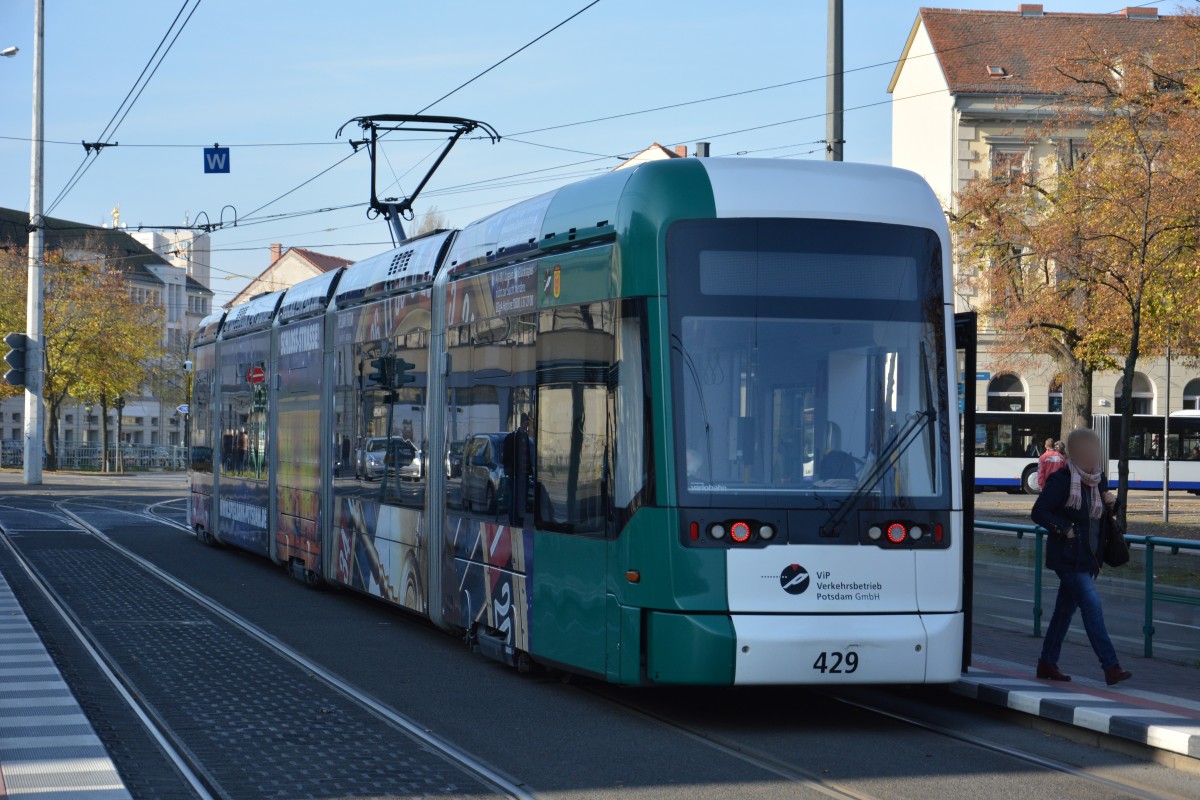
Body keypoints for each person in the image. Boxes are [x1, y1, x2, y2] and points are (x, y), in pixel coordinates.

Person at [1031, 428, 1132, 686]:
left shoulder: (1099, 480)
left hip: (1090, 559)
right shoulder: (1062, 480)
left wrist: (1114, 503)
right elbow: (1039, 512)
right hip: (1069, 558)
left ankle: (1046, 662)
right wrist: (1064, 529)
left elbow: (1103, 517)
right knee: (1092, 606)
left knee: (1063, 612)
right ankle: (1111, 666)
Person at [502, 413, 534, 526]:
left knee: (522, 500)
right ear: (522, 423)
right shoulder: (514, 438)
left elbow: (527, 456)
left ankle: (519, 521)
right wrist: (510, 469)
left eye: (528, 424)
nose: (527, 426)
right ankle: (514, 521)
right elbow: (507, 456)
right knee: (514, 500)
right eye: (526, 423)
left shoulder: (525, 437)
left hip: (523, 476)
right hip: (515, 476)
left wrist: (530, 472)